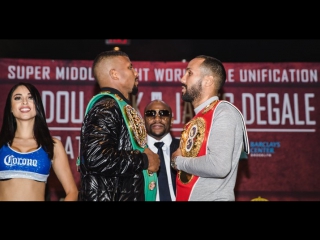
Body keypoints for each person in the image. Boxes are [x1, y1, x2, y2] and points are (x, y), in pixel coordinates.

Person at [78, 50, 160, 201]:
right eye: (130, 67)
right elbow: (97, 157)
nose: (136, 73)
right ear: (114, 74)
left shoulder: (116, 106)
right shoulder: (107, 107)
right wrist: (145, 160)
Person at [171, 55, 250, 201]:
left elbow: (218, 166)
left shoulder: (223, 112)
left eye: (189, 73)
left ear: (208, 81)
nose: (182, 79)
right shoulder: (196, 119)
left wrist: (178, 162)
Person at [0, 82, 78, 201]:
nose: (24, 101)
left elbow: (72, 192)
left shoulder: (52, 145)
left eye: (30, 97)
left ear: (38, 106)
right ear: (10, 107)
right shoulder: (1, 145)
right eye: (18, 98)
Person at [144, 99, 180, 201]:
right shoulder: (137, 152)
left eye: (163, 114)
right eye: (151, 114)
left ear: (172, 120)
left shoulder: (184, 148)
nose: (157, 118)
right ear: (144, 120)